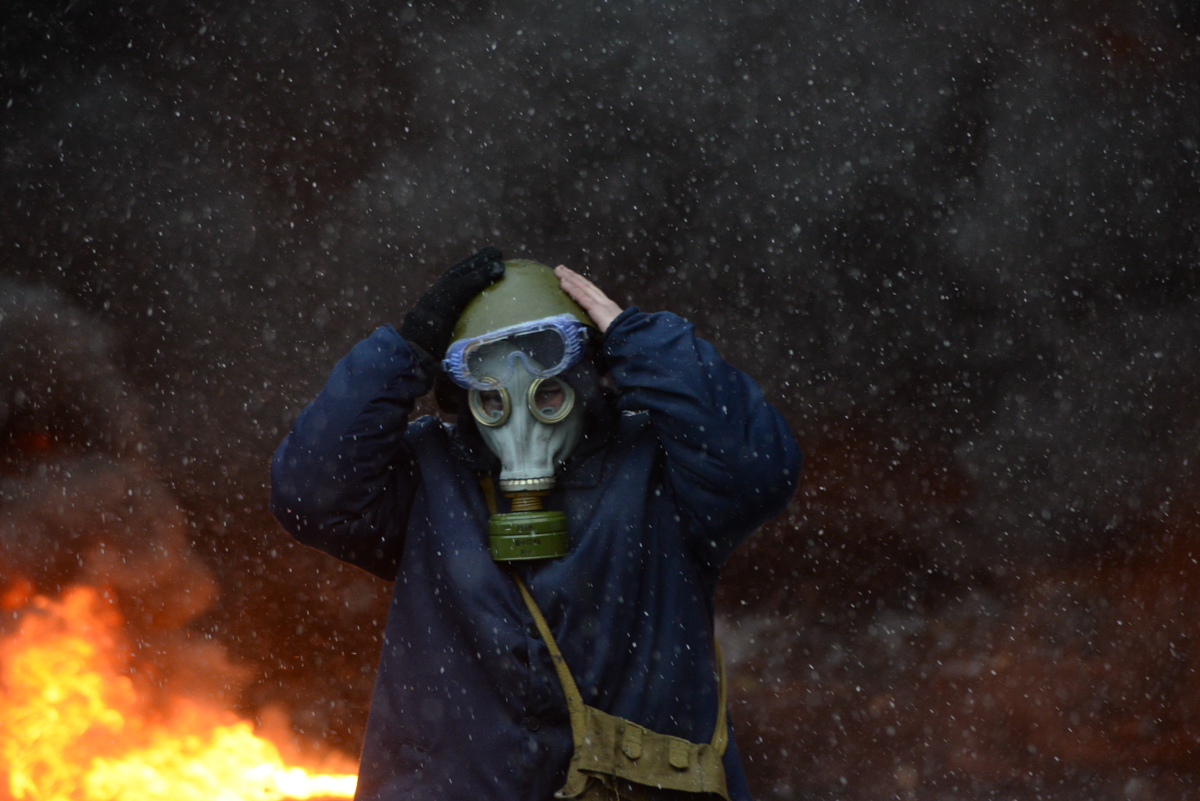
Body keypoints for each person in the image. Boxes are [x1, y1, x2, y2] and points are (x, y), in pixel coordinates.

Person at [270, 249, 801, 801]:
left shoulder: (659, 474)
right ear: (466, 401)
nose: (522, 427)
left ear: (591, 380)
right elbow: (310, 494)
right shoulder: (430, 478)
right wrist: (405, 354)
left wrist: (636, 337)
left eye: (548, 394)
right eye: (493, 401)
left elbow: (757, 468)